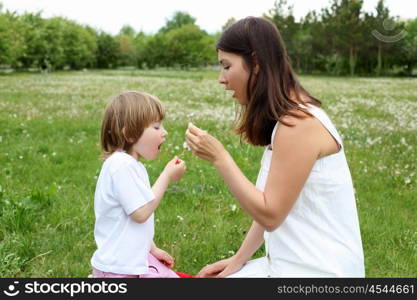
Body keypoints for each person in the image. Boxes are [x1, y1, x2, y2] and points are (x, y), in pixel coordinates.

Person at [185, 17, 364, 277]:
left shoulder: (299, 125)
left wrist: (220, 158)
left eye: (226, 66)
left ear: (255, 63)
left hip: (320, 272)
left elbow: (271, 214)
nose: (221, 79)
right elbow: (272, 206)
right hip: (289, 265)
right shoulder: (287, 120)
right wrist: (238, 260)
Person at [91, 91, 186, 278]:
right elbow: (141, 213)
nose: (165, 132)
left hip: (132, 261)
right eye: (157, 127)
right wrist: (166, 177)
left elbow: (133, 220)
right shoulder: (121, 165)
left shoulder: (133, 166)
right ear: (130, 134)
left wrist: (153, 249)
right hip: (118, 270)